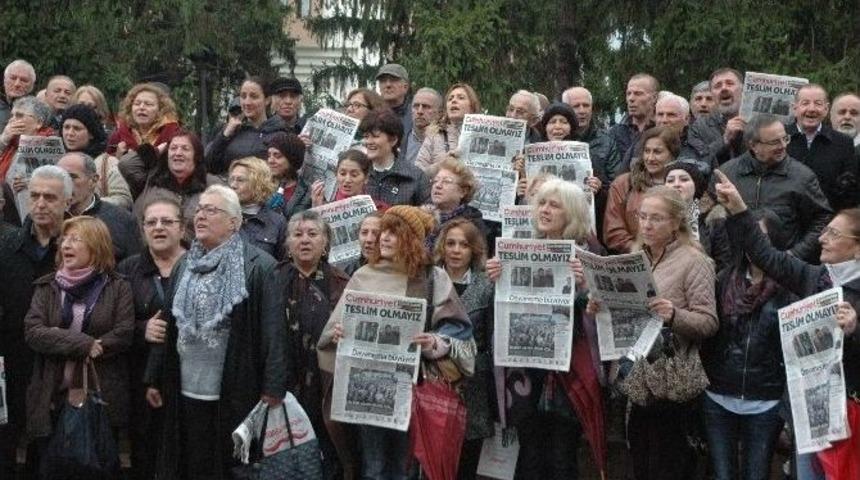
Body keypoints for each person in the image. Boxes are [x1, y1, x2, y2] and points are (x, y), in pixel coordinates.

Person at [715, 171, 860, 480]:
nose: (821, 237)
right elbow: (767, 256)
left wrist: (855, 330)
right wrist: (740, 210)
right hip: (810, 408)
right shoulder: (813, 276)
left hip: (853, 414)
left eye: (833, 234)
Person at [318, 205, 474, 479]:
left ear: (411, 239)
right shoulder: (362, 275)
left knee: (406, 471)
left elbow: (459, 332)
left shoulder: (431, 278)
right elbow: (330, 335)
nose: (385, 238)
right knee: (374, 469)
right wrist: (339, 334)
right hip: (367, 393)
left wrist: (433, 343)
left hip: (413, 393)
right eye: (383, 232)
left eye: (394, 232)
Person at [144, 185, 287, 480]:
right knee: (190, 463)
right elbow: (168, 323)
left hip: (235, 388)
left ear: (234, 222)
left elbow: (273, 332)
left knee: (227, 467)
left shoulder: (259, 266)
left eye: (212, 210)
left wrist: (273, 387)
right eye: (199, 210)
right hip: (184, 386)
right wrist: (154, 377)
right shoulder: (186, 263)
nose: (201, 216)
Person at [486, 178, 606, 479]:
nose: (545, 210)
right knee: (529, 456)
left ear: (573, 214)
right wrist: (497, 279)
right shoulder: (519, 249)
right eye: (541, 203)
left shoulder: (589, 254)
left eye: (555, 205)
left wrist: (584, 287)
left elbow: (603, 315)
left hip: (569, 372)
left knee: (562, 457)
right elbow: (500, 311)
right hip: (526, 370)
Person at [608, 185, 717, 480]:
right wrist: (601, 305)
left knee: (667, 464)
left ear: (675, 223)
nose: (646, 224)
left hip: (672, 383)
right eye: (643, 216)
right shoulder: (635, 255)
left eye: (656, 218)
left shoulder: (695, 261)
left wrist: (674, 315)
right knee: (639, 462)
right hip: (638, 378)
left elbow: (708, 322)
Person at [23, 216, 135, 475]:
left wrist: (57, 336)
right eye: (64, 239)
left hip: (100, 399)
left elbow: (123, 333)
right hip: (52, 397)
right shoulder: (47, 286)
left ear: (96, 247)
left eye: (76, 239)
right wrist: (83, 343)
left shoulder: (118, 287)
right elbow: (33, 332)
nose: (66, 245)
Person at [700, 208, 792, 480]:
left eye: (760, 237)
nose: (753, 243)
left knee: (757, 472)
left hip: (766, 398)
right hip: (718, 393)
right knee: (722, 472)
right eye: (748, 236)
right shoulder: (724, 279)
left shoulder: (791, 285)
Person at [0, 165, 70, 479]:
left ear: (67, 201)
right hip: (11, 361)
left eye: (50, 197)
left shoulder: (80, 245)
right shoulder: (6, 246)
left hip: (60, 365)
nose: (40, 203)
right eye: (35, 195)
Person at [276, 210, 351, 479]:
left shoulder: (341, 283)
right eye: (297, 234)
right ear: (287, 243)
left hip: (326, 385)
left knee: (327, 455)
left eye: (312, 234)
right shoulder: (273, 279)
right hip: (283, 382)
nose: (304, 240)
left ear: (325, 243)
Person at [117, 196, 186, 480]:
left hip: (190, 382)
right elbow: (111, 322)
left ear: (182, 228)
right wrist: (140, 330)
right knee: (145, 455)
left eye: (167, 221)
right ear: (143, 229)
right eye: (151, 222)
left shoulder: (200, 264)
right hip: (141, 381)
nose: (159, 228)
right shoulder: (127, 270)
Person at [719, 114, 832, 263]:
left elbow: (822, 219)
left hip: (783, 270)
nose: (783, 146)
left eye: (785, 138)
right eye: (774, 142)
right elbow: (706, 214)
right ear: (753, 145)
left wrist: (795, 254)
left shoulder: (802, 176)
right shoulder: (728, 172)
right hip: (736, 267)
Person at [433, 218, 496, 478]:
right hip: (433, 380)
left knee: (466, 464)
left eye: (463, 244)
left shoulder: (486, 285)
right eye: (450, 243)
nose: (456, 250)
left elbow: (493, 337)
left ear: (474, 250)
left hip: (472, 383)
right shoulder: (428, 280)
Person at [123, 131, 224, 241]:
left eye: (185, 149)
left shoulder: (213, 185)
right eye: (173, 148)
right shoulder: (152, 178)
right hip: (149, 252)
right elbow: (126, 164)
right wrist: (156, 151)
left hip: (194, 254)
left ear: (196, 155)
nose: (178, 153)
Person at [604, 126, 679, 253]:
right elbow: (613, 231)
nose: (650, 158)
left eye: (657, 152)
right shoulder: (624, 184)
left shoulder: (682, 184)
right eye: (646, 151)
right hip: (634, 259)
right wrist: (640, 251)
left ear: (672, 155)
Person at [57, 152, 141, 262]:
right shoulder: (44, 216)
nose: (65, 184)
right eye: (60, 177)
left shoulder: (122, 220)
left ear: (93, 180)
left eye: (72, 177)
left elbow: (134, 268)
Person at [786, 84, 859, 211]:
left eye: (818, 103)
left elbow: (848, 191)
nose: (812, 109)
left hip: (826, 219)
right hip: (783, 219)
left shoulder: (843, 143)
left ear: (826, 109)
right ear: (794, 108)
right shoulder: (779, 136)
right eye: (805, 103)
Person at [562, 86, 622, 239]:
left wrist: (600, 187)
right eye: (576, 106)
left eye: (586, 105)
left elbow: (617, 184)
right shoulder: (554, 139)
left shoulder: (607, 142)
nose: (582, 110)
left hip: (595, 220)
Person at [61, 103, 133, 209]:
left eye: (77, 128)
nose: (69, 133)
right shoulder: (56, 160)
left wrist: (88, 203)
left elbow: (123, 200)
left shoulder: (108, 163)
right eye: (66, 127)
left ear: (91, 133)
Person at [664, 161, 732, 273]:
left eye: (684, 179)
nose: (676, 184)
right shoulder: (653, 217)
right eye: (670, 180)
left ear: (696, 185)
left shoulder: (714, 220)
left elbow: (724, 266)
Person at [205, 77, 274, 176]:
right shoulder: (229, 131)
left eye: (254, 97)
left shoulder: (278, 132)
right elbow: (208, 165)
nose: (247, 102)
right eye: (243, 96)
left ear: (267, 100)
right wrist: (224, 136)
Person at [363, 109, 431, 206]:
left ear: (393, 140)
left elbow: (428, 216)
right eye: (366, 136)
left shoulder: (415, 177)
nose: (369, 142)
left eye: (375, 136)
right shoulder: (358, 172)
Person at [228, 156, 287, 259]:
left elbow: (282, 267)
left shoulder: (278, 222)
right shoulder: (220, 215)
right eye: (232, 179)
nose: (233, 185)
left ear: (258, 184)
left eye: (240, 180)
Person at [416, 83, 481, 171]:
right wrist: (442, 164)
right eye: (450, 99)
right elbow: (418, 173)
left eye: (460, 98)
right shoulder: (434, 135)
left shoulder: (482, 135)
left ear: (472, 106)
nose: (454, 101)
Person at [424, 156, 486, 249]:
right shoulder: (419, 217)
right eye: (435, 181)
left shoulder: (472, 225)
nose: (438, 185)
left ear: (463, 191)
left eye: (446, 182)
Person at [688, 68, 746, 166]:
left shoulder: (759, 122)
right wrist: (724, 140)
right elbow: (695, 162)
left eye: (730, 83)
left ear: (743, 90)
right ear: (713, 94)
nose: (724, 88)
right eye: (717, 86)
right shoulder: (699, 127)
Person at [108, 83, 181, 158]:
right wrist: (117, 157)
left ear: (161, 109)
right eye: (137, 103)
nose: (141, 107)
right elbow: (108, 162)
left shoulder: (173, 133)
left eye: (148, 104)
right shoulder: (120, 133)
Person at [609, 73, 659, 174]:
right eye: (629, 93)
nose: (631, 99)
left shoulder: (660, 129)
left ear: (654, 98)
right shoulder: (615, 133)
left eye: (638, 94)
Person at [312, 149, 388, 210]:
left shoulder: (379, 209)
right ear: (336, 174)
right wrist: (317, 209)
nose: (347, 180)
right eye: (342, 174)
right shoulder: (324, 207)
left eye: (354, 175)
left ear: (366, 178)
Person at [0, 96, 52, 182]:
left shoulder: (48, 145)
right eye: (12, 115)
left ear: (38, 123)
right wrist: (3, 140)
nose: (12, 120)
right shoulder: (11, 143)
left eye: (19, 116)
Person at [402, 87, 443, 166]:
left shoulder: (447, 141)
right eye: (416, 106)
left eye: (426, 107)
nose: (419, 111)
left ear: (440, 113)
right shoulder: (399, 141)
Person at [376, 63, 412, 135]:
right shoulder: (372, 115)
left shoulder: (416, 115)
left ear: (405, 87)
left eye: (393, 80)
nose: (388, 85)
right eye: (383, 81)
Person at [0, 59, 37, 132]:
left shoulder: (37, 109)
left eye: (24, 80)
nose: (17, 84)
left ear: (32, 85)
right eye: (13, 78)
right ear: (4, 80)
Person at [343, 211, 382, 276]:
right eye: (364, 232)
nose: (369, 239)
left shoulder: (399, 271)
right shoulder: (350, 271)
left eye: (376, 233)